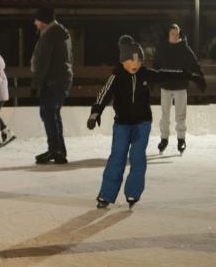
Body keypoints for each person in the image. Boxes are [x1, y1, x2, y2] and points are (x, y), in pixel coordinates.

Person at [87, 35, 205, 209]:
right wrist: (95, 112)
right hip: (122, 124)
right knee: (117, 157)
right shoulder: (117, 75)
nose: (135, 64)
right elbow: (104, 94)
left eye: (138, 60)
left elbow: (164, 74)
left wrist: (189, 75)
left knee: (138, 157)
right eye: (131, 60)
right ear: (123, 61)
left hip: (142, 123)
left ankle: (133, 192)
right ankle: (106, 195)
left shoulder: (144, 73)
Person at [31, 7, 73, 164]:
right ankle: (58, 149)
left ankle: (55, 149)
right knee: (51, 112)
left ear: (44, 20)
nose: (35, 22)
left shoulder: (52, 34)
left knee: (48, 111)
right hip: (59, 79)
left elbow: (44, 62)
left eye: (37, 19)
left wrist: (36, 83)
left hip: (55, 80)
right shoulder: (57, 32)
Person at [153, 24, 203, 155]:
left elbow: (194, 63)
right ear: (169, 34)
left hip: (180, 86)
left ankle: (181, 139)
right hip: (166, 86)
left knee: (181, 115)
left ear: (179, 34)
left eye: (176, 33)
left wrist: (200, 78)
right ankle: (164, 139)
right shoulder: (163, 48)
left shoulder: (184, 48)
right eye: (172, 33)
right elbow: (156, 64)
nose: (174, 35)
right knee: (165, 115)